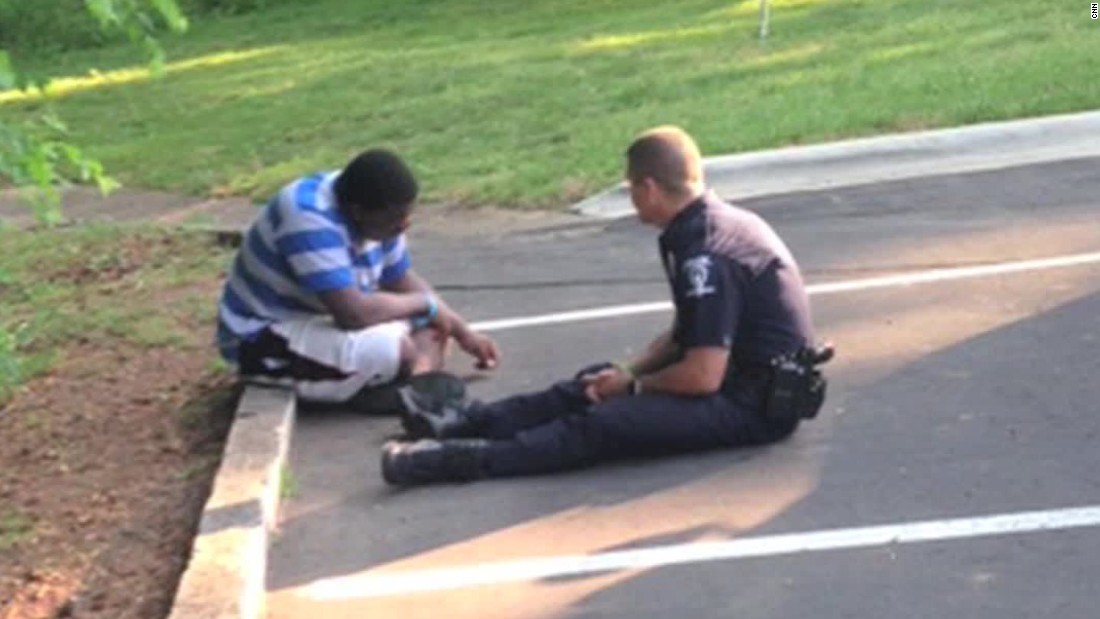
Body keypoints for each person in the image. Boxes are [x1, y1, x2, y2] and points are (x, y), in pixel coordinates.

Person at [380, 126, 830, 485]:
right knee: (589, 383)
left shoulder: (706, 253)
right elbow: (685, 334)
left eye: (631, 187)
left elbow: (702, 375)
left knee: (605, 423)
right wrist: (628, 372)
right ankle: (470, 423)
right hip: (733, 380)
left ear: (649, 188)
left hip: (753, 407)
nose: (631, 196)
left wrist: (631, 389)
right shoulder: (705, 227)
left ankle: (458, 460)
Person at [215, 149, 500, 410]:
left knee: (434, 328)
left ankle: (412, 383)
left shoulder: (373, 209)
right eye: (395, 219)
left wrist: (461, 330)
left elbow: (399, 278)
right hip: (264, 336)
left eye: (407, 215)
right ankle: (406, 385)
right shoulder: (308, 218)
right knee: (395, 349)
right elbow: (354, 314)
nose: (404, 226)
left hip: (320, 318)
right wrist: (426, 305)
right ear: (358, 212)